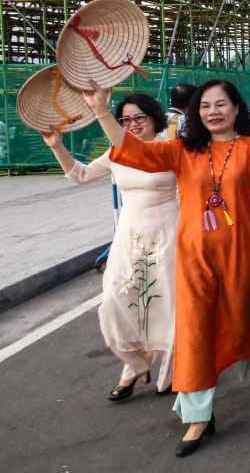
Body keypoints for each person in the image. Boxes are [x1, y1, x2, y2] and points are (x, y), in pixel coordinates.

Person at [83, 79, 250, 457]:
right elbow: (132, 151)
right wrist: (100, 109)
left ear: (235, 109)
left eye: (221, 104)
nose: (213, 111)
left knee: (247, 318)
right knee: (196, 334)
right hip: (194, 258)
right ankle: (198, 416)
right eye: (205, 106)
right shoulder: (183, 150)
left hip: (243, 255)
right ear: (196, 112)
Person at [43, 93, 178, 400]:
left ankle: (167, 371)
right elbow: (81, 175)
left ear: (154, 117)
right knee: (114, 304)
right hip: (129, 241)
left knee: (167, 304)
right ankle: (137, 362)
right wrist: (57, 146)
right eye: (125, 119)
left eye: (139, 117)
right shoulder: (117, 151)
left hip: (169, 235)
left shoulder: (170, 149)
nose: (133, 124)